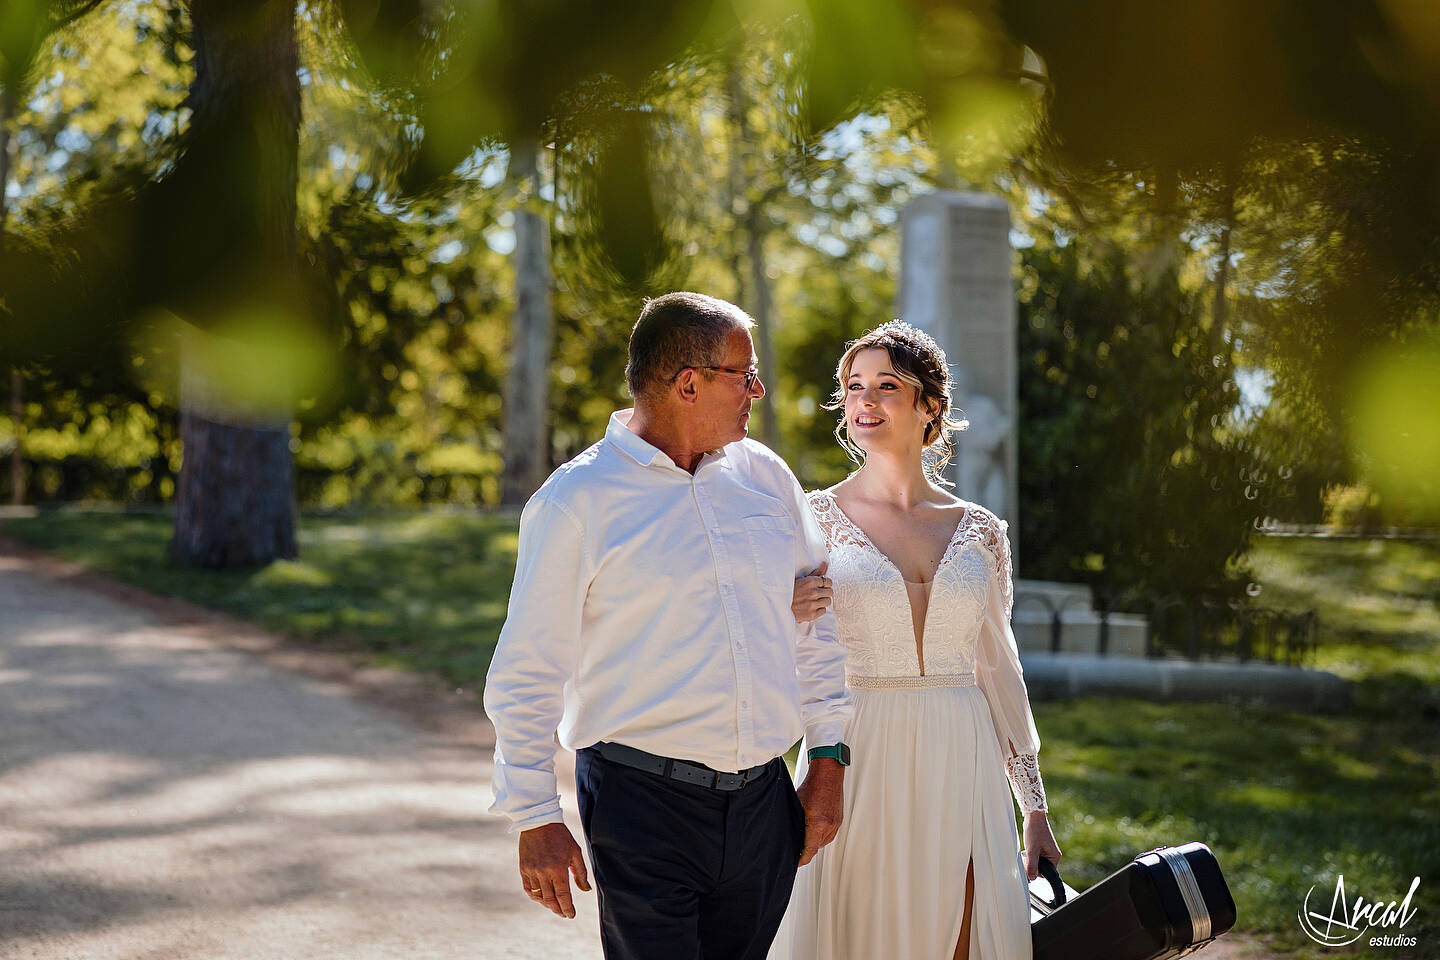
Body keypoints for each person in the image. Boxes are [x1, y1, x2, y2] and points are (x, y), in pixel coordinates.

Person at [483, 292, 854, 960]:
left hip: (765, 805)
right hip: (640, 803)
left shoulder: (765, 477)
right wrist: (535, 813)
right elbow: (528, 666)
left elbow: (815, 622)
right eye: (744, 374)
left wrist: (827, 758)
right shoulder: (577, 501)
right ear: (689, 383)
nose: (758, 389)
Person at [772, 320, 1062, 960]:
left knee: (962, 928)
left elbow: (1000, 673)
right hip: (857, 749)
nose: (864, 401)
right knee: (860, 931)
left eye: (887, 387)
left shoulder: (982, 531)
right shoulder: (811, 521)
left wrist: (1034, 808)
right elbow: (765, 644)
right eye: (853, 387)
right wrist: (784, 607)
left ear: (930, 406)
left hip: (964, 752)